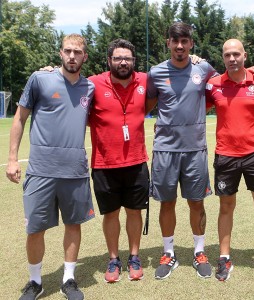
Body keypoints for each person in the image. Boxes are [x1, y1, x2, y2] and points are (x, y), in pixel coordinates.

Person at [6, 34, 95, 300]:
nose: (72, 56)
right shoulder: (40, 79)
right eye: (67, 51)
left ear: (84, 57)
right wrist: (12, 158)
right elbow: (20, 119)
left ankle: (69, 278)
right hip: (41, 170)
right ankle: (35, 281)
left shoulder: (90, 87)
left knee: (73, 224)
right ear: (59, 53)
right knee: (35, 228)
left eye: (77, 52)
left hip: (75, 170)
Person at [205, 39, 254, 282]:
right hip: (225, 155)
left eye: (236, 53)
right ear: (223, 57)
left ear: (245, 55)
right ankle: (224, 257)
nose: (232, 58)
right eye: (227, 54)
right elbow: (195, 106)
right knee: (226, 206)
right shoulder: (213, 85)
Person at [145, 22, 217, 280]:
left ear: (191, 43)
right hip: (165, 149)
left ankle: (199, 251)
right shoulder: (156, 72)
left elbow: (226, 85)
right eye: (175, 41)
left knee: (196, 202)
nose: (179, 46)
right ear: (168, 43)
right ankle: (169, 252)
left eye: (184, 41)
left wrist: (252, 70)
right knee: (167, 202)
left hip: (195, 149)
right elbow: (148, 103)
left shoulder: (204, 68)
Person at [88, 39, 150, 283]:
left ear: (134, 61)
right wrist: (48, 70)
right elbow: (66, 81)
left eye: (127, 58)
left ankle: (134, 256)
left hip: (136, 162)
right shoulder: (93, 83)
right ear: (109, 61)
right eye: (118, 58)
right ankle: (113, 259)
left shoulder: (145, 80)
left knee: (134, 212)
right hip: (104, 164)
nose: (123, 62)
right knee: (111, 214)